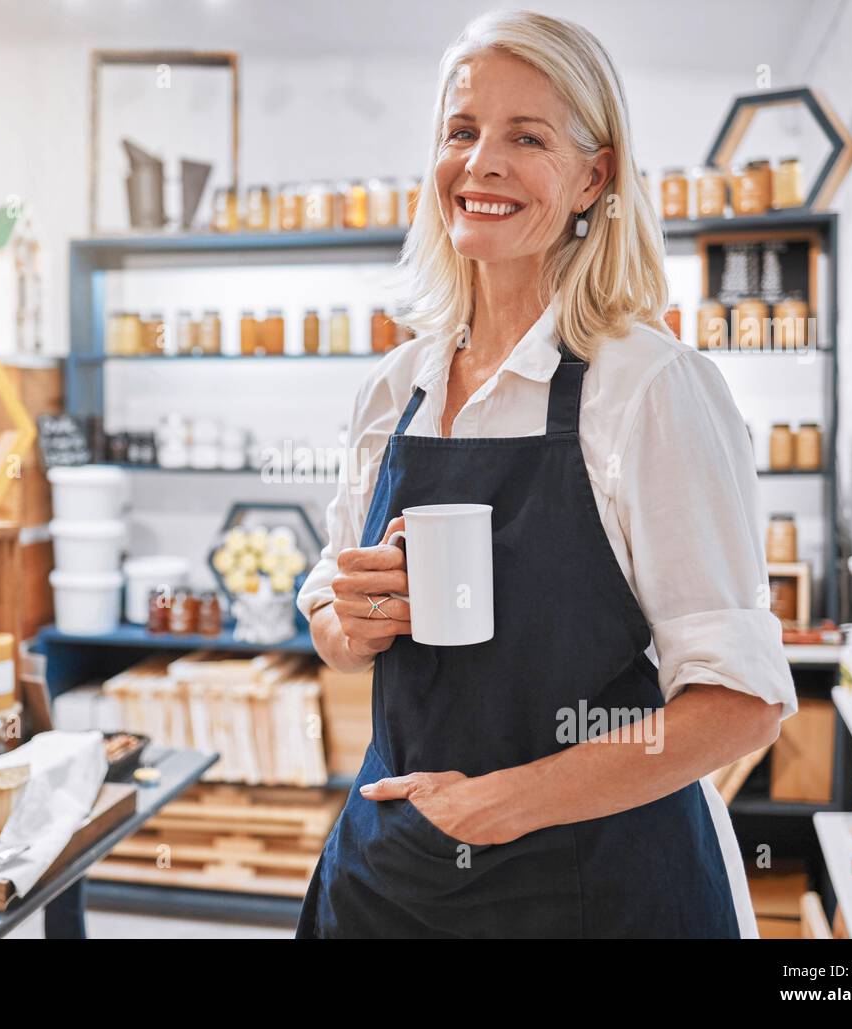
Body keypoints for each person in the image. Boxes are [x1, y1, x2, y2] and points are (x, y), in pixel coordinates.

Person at [294, 10, 796, 939]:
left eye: (526, 137)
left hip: (599, 884)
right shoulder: (390, 391)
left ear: (592, 176)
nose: (481, 162)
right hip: (398, 869)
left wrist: (500, 806)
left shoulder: (647, 388)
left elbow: (740, 704)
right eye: (461, 131)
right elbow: (332, 608)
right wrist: (341, 617)